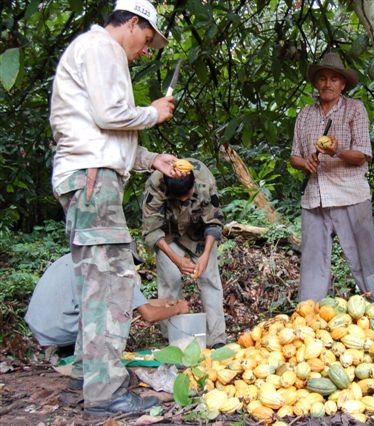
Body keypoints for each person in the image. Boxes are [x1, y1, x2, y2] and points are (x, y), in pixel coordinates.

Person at [49, 0, 182, 415]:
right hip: (93, 178)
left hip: (88, 175)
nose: (146, 49)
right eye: (147, 39)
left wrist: (151, 159)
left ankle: (88, 377)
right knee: (111, 283)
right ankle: (106, 397)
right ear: (134, 22)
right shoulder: (101, 48)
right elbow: (113, 116)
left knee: (96, 280)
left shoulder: (94, 51)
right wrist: (153, 113)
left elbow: (106, 131)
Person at [289, 51, 374, 307]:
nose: (328, 84)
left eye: (334, 79)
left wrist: (335, 151)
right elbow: (294, 155)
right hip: (314, 197)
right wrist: (305, 163)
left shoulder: (354, 109)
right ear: (316, 83)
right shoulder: (305, 114)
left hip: (350, 194)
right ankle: (309, 315)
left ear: (343, 84)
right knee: (313, 261)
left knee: (365, 256)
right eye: (323, 78)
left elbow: (362, 155)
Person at [142, 158, 227, 349]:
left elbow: (214, 222)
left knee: (210, 279)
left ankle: (217, 339)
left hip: (198, 234)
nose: (183, 201)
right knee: (170, 280)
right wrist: (177, 260)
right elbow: (151, 231)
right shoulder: (155, 185)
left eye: (187, 197)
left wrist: (205, 255)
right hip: (168, 236)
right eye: (178, 199)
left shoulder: (205, 180)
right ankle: (171, 337)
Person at [25, 252, 190, 350]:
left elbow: (135, 303)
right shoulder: (114, 267)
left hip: (42, 327)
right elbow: (149, 315)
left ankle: (68, 349)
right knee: (116, 313)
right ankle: (104, 363)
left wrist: (162, 303)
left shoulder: (83, 256)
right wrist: (178, 309)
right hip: (61, 329)